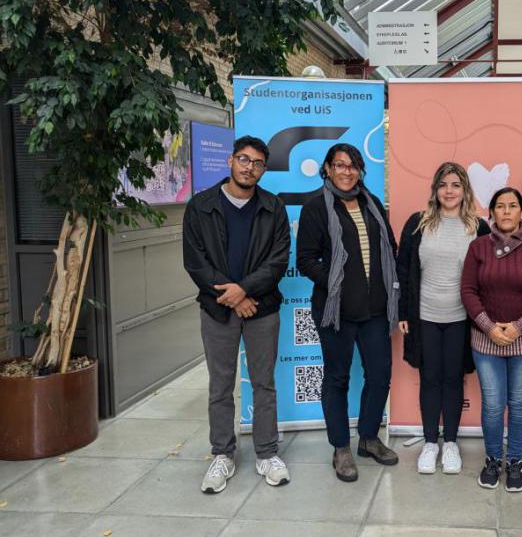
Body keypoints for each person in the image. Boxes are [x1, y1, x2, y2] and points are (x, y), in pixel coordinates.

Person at [183, 135, 291, 494]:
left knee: (264, 383)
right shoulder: (200, 206)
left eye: (257, 163)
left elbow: (278, 260)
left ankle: (267, 453)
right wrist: (232, 297)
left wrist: (244, 290)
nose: (249, 168)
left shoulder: (273, 207)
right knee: (220, 385)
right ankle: (222, 454)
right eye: (244, 159)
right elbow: (195, 261)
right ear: (230, 161)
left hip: (261, 307)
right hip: (218, 310)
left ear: (264, 169)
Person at [296, 143, 399, 483]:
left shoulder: (372, 204)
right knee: (337, 379)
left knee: (379, 376)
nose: (346, 171)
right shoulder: (316, 208)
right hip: (336, 311)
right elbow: (305, 259)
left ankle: (368, 438)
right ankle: (340, 447)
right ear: (327, 168)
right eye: (339, 165)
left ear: (360, 171)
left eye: (353, 165)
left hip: (375, 311)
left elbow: (390, 248)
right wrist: (336, 282)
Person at [461, 187, 522, 492]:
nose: (506, 211)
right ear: (491, 212)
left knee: (518, 403)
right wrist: (489, 327)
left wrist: (519, 327)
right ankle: (493, 459)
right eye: (500, 206)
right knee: (492, 405)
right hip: (486, 340)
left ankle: (515, 461)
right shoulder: (478, 247)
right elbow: (468, 291)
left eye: (512, 206)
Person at [397, 162, 490, 474]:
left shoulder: (479, 227)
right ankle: (430, 443)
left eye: (455, 185)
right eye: (443, 185)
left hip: (461, 317)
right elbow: (403, 270)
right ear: (435, 189)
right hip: (424, 316)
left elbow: (487, 275)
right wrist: (403, 311)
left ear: (465, 190)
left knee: (453, 378)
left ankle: (450, 442)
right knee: (430, 378)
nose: (449, 191)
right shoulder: (418, 223)